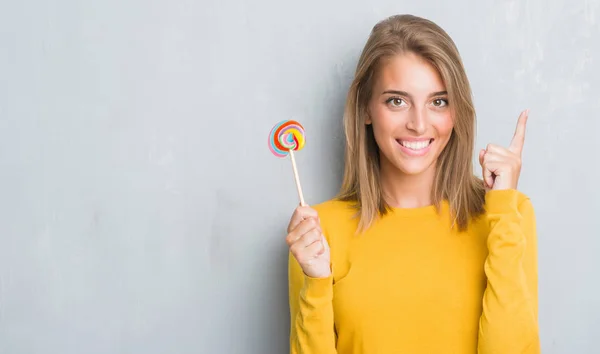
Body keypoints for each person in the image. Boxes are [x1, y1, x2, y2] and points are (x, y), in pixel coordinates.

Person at [285, 14, 539, 353]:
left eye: (438, 101)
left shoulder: (509, 213)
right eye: (397, 101)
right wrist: (315, 284)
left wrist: (503, 212)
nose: (419, 124)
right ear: (366, 108)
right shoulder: (316, 232)